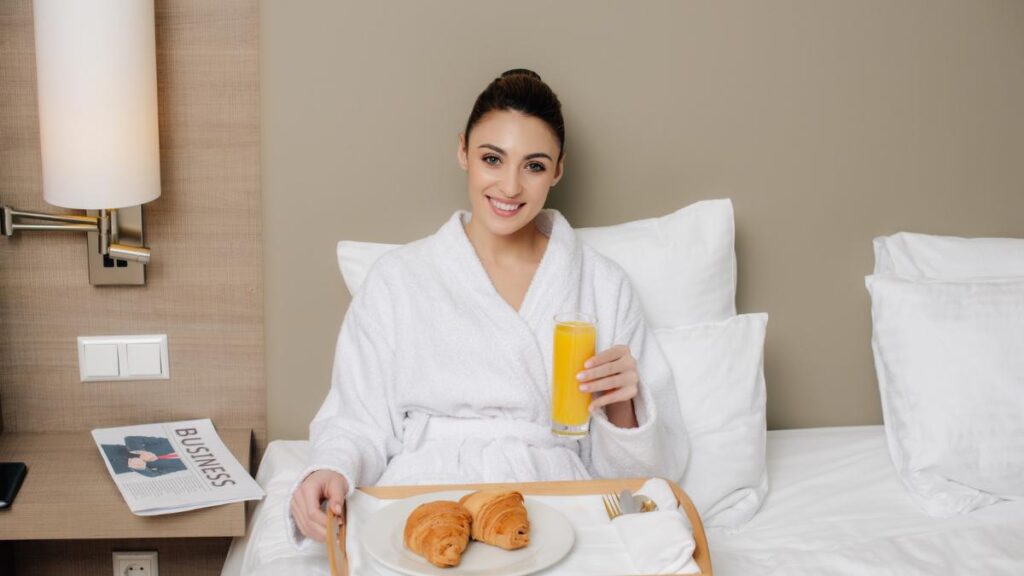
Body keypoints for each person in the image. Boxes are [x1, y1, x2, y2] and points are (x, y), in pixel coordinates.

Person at [288, 68, 689, 546]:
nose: (510, 187)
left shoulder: (601, 284)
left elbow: (631, 478)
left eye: (534, 166)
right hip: (425, 490)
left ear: (558, 171)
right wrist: (330, 468)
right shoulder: (398, 279)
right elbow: (357, 421)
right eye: (493, 159)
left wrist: (623, 407)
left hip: (552, 495)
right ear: (463, 152)